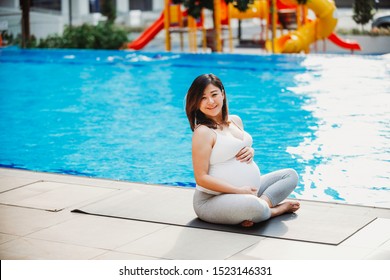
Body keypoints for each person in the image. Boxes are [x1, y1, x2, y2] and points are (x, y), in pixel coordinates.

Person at [185, 73, 300, 227]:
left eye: (214, 94)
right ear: (196, 102)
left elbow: (233, 150)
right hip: (212, 201)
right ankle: (273, 210)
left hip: (248, 192)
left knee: (290, 175)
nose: (210, 102)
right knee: (253, 206)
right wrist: (238, 191)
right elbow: (201, 178)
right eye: (203, 98)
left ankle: (261, 205)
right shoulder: (203, 132)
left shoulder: (235, 121)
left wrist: (250, 150)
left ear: (223, 94)